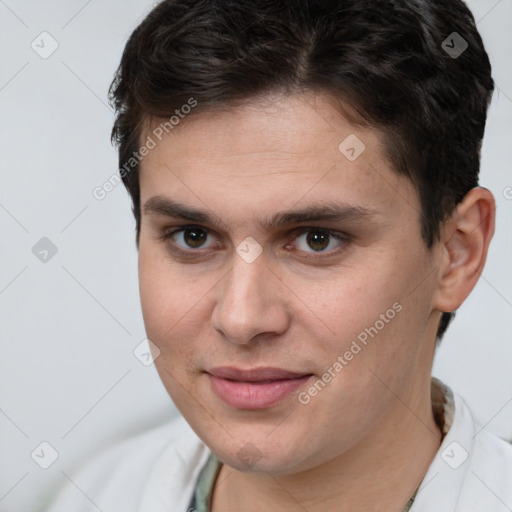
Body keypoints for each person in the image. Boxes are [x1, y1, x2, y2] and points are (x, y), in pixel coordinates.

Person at [44, 0, 512, 510]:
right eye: (193, 237)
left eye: (317, 239)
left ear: (457, 252)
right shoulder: (92, 494)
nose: (241, 319)